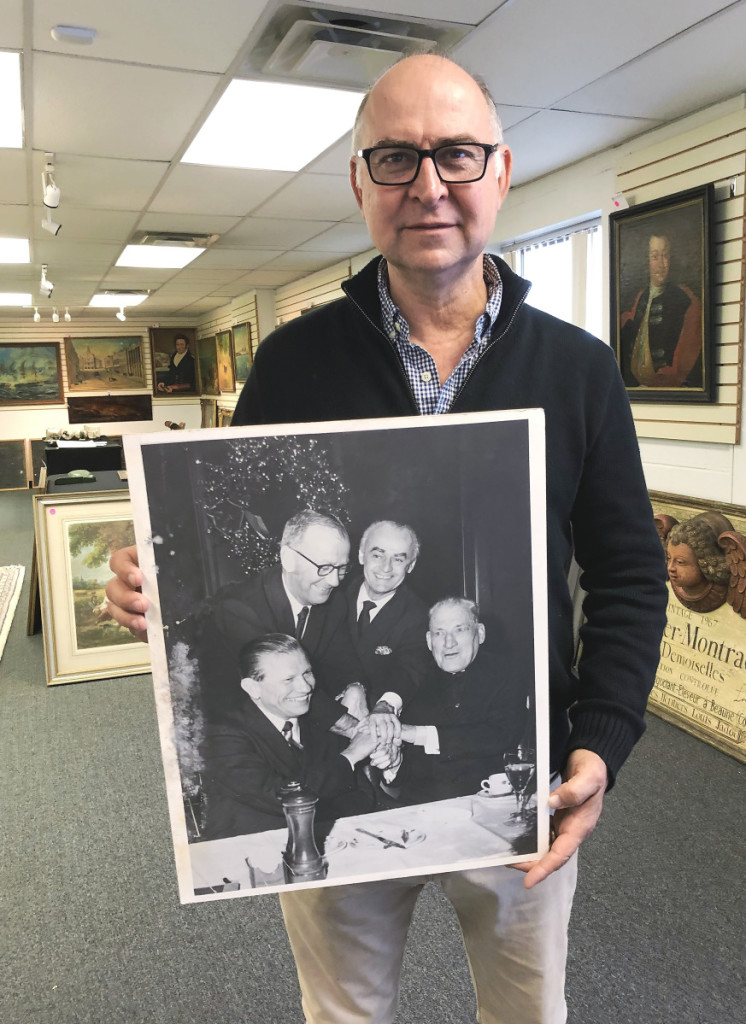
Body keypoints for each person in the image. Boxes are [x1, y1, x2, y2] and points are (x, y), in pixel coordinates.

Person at [107, 53, 668, 1024]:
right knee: (345, 1013)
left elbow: (626, 575)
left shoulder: (577, 371)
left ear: (499, 170)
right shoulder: (289, 363)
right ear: (360, 182)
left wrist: (602, 741)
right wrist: (146, 599)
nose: (429, 186)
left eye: (456, 154)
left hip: (511, 785)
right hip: (329, 798)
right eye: (396, 159)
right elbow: (244, 585)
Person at [194, 509, 374, 736]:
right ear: (288, 558)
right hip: (239, 729)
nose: (334, 581)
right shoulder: (241, 610)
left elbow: (343, 658)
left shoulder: (333, 603)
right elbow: (287, 689)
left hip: (298, 719)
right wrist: (357, 731)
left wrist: (355, 686)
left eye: (341, 568)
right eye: (325, 567)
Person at [201, 634, 378, 840]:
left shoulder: (316, 720)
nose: (306, 687)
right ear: (253, 688)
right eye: (289, 679)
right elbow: (281, 798)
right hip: (250, 851)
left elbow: (359, 794)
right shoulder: (223, 735)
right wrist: (351, 754)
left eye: (307, 673)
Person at [389, 597, 527, 805]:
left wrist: (417, 734)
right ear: (429, 641)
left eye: (459, 629)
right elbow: (403, 776)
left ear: (479, 633)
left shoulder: (506, 673)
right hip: (421, 808)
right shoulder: (414, 680)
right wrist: (393, 764)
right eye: (439, 633)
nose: (448, 642)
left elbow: (500, 735)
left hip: (488, 802)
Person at [345, 519, 430, 714]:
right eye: (377, 555)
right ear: (361, 555)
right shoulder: (333, 596)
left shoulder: (418, 616)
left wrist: (386, 705)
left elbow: (410, 670)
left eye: (398, 559)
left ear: (411, 565)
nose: (386, 568)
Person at [620, 233, 703, 388]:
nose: (661, 264)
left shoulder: (684, 299)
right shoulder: (640, 297)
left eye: (665, 256)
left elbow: (687, 355)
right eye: (655, 257)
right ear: (647, 262)